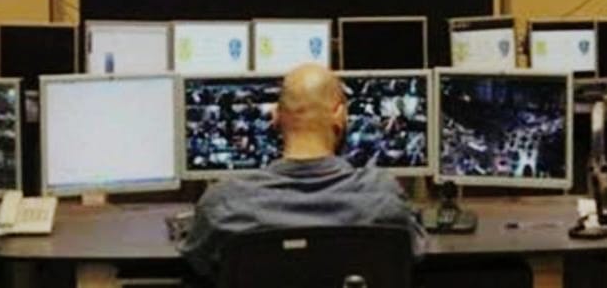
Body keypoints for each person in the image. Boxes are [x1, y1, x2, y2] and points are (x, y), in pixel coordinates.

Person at [179, 63, 424, 278]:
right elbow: (414, 252)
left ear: (275, 116)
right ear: (340, 115)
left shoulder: (225, 203)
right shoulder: (383, 197)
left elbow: (196, 261)